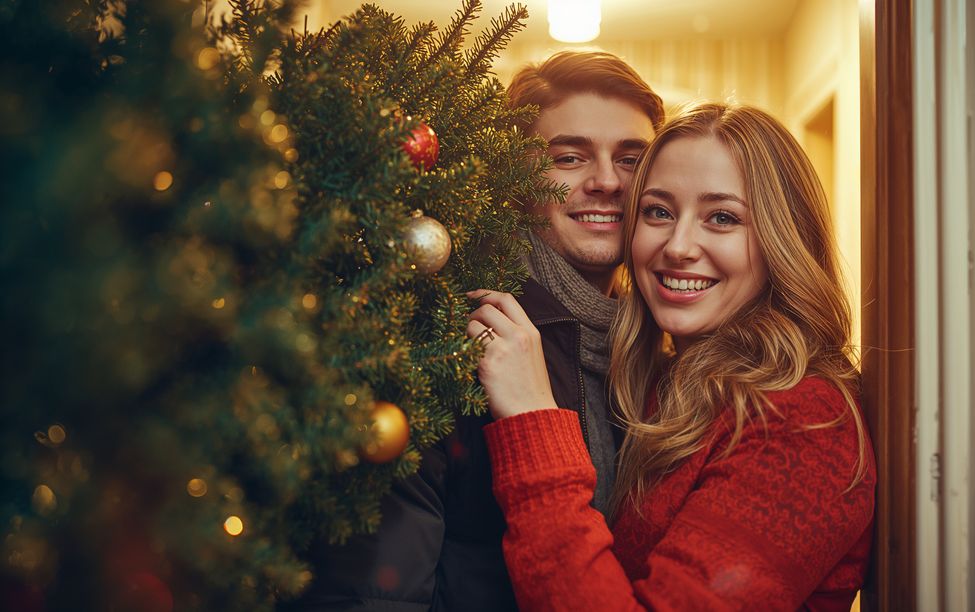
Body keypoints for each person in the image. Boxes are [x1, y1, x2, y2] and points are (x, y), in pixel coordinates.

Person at [290, 51, 663, 611]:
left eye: (631, 159)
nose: (606, 181)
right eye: (569, 156)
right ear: (515, 176)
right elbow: (370, 591)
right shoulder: (451, 333)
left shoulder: (661, 348)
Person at [465, 102, 876, 610]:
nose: (678, 246)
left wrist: (533, 421)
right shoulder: (675, 388)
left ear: (780, 241)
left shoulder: (803, 420)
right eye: (658, 211)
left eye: (722, 218)